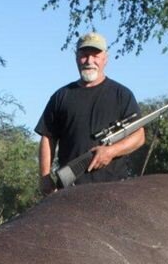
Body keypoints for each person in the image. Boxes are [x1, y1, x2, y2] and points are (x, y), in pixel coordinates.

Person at [36, 32, 144, 195]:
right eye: (84, 55)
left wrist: (110, 151)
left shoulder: (122, 95)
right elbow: (47, 137)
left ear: (105, 59)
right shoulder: (61, 96)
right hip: (69, 190)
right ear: (76, 57)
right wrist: (44, 176)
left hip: (113, 190)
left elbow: (139, 136)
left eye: (96, 55)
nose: (89, 61)